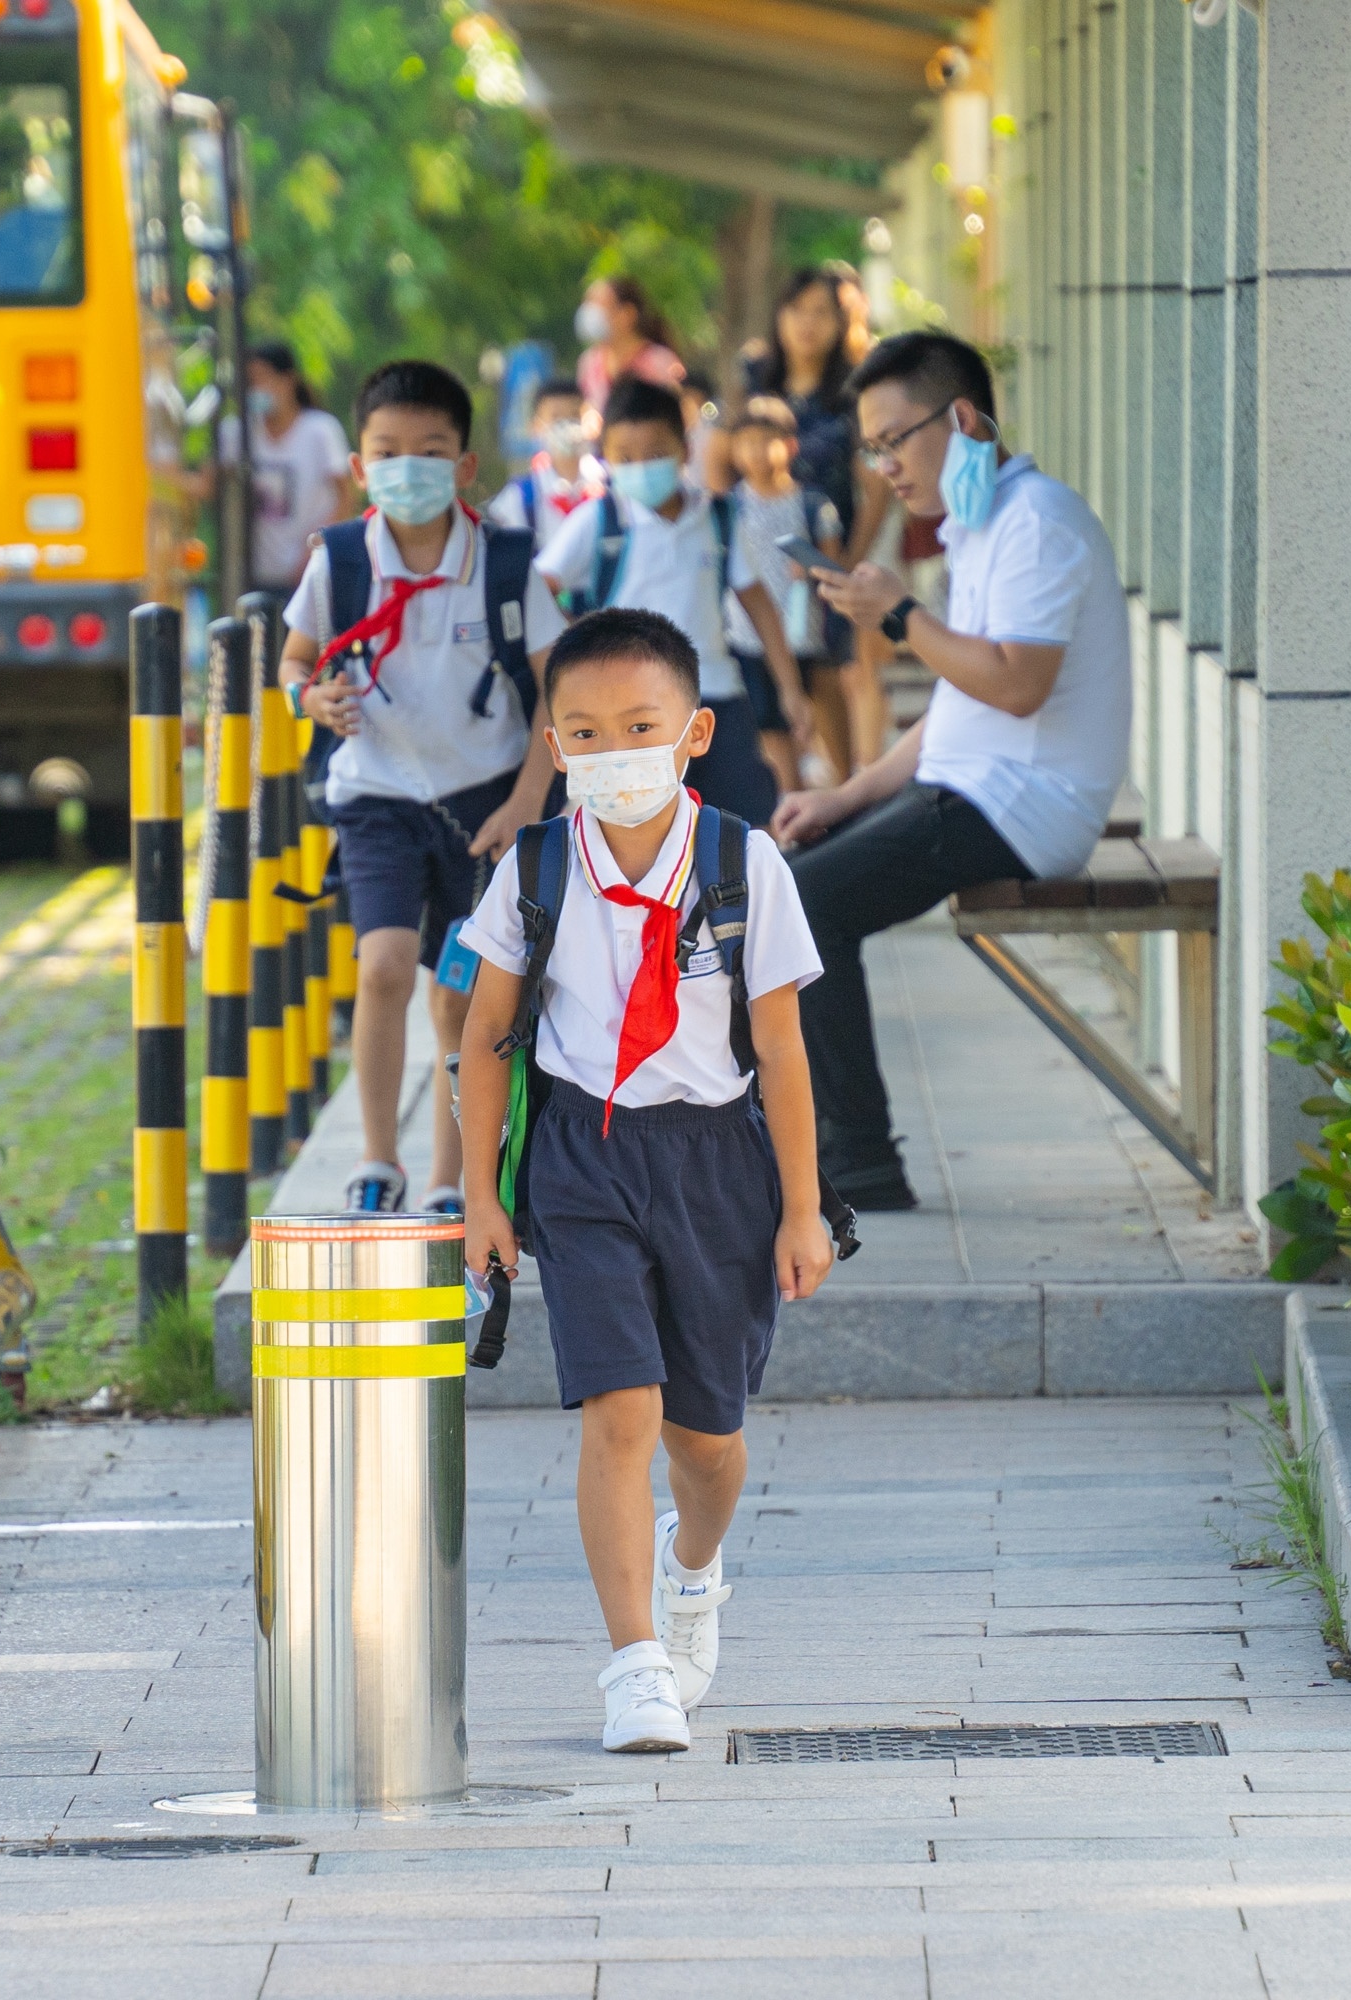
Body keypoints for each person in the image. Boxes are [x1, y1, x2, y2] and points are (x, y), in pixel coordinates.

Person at [456, 607, 836, 1753]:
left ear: (693, 732)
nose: (613, 751)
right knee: (619, 1407)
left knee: (705, 1439)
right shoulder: (536, 868)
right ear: (554, 745)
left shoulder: (742, 862)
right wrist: (481, 1195)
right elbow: (484, 1038)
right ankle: (633, 1666)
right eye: (584, 732)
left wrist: (804, 1207)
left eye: (639, 726)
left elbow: (783, 1049)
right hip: (584, 1157)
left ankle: (693, 1566)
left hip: (717, 1161)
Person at [773, 331, 1131, 1213]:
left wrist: (899, 615)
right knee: (780, 874)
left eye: (895, 440)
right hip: (975, 786)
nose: (884, 468)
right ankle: (802, 1140)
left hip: (1024, 804)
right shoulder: (982, 525)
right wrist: (844, 795)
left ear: (962, 419)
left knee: (806, 904)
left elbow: (1015, 685)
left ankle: (859, 1160)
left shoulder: (1037, 523)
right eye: (872, 449)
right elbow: (959, 706)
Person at [280, 360, 563, 1215]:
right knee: (384, 968)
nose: (409, 468)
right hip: (376, 799)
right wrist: (308, 697)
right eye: (388, 452)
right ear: (359, 467)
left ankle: (450, 1176)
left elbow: (557, 688)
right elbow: (294, 659)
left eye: (430, 451)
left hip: (486, 805)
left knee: (459, 993)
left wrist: (526, 803)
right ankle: (376, 1160)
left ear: (465, 465)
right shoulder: (339, 561)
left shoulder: (505, 564)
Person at [533, 378, 801, 828]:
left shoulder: (717, 518)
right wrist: (576, 640)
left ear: (685, 448)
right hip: (631, 714)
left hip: (716, 697)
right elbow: (538, 585)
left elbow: (758, 603)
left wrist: (790, 688)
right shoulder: (599, 521)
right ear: (605, 457)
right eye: (625, 457)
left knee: (743, 827)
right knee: (641, 831)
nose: (641, 467)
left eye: (656, 453)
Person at [740, 268, 889, 782]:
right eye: (797, 309)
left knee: (829, 672)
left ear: (841, 321)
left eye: (821, 312)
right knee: (763, 669)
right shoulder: (755, 377)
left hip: (826, 550)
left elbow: (876, 485)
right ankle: (789, 793)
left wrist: (847, 561)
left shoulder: (855, 390)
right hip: (759, 553)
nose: (807, 323)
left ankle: (847, 787)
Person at [717, 399, 837, 794]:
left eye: (764, 441)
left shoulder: (812, 504)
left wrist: (811, 568)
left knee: (807, 714)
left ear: (789, 445)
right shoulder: (729, 506)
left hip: (803, 631)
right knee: (768, 722)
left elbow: (832, 564)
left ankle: (822, 785)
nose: (754, 452)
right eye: (745, 442)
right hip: (747, 633)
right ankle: (788, 793)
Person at [244, 341, 352, 594]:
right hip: (254, 576)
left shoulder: (321, 430)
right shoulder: (239, 432)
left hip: (309, 575)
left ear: (288, 380)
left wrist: (313, 549)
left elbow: (346, 497)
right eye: (250, 381)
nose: (257, 388)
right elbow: (208, 484)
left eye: (263, 378)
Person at [486, 379, 598, 549]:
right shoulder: (518, 499)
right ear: (536, 426)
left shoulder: (610, 485)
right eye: (556, 418)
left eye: (575, 416)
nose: (566, 424)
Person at [572, 274, 687, 417]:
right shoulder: (589, 363)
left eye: (598, 304)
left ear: (627, 314)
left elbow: (679, 410)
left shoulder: (659, 361)